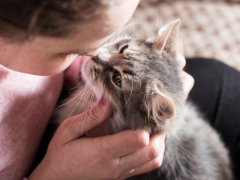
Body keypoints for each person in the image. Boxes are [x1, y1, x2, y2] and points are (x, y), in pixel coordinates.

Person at [1, 0, 239, 180]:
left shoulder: (28, 33)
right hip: (48, 168)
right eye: (76, 49)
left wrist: (159, 70)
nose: (99, 53)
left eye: (114, 41)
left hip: (56, 94)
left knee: (221, 79)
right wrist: (52, 174)